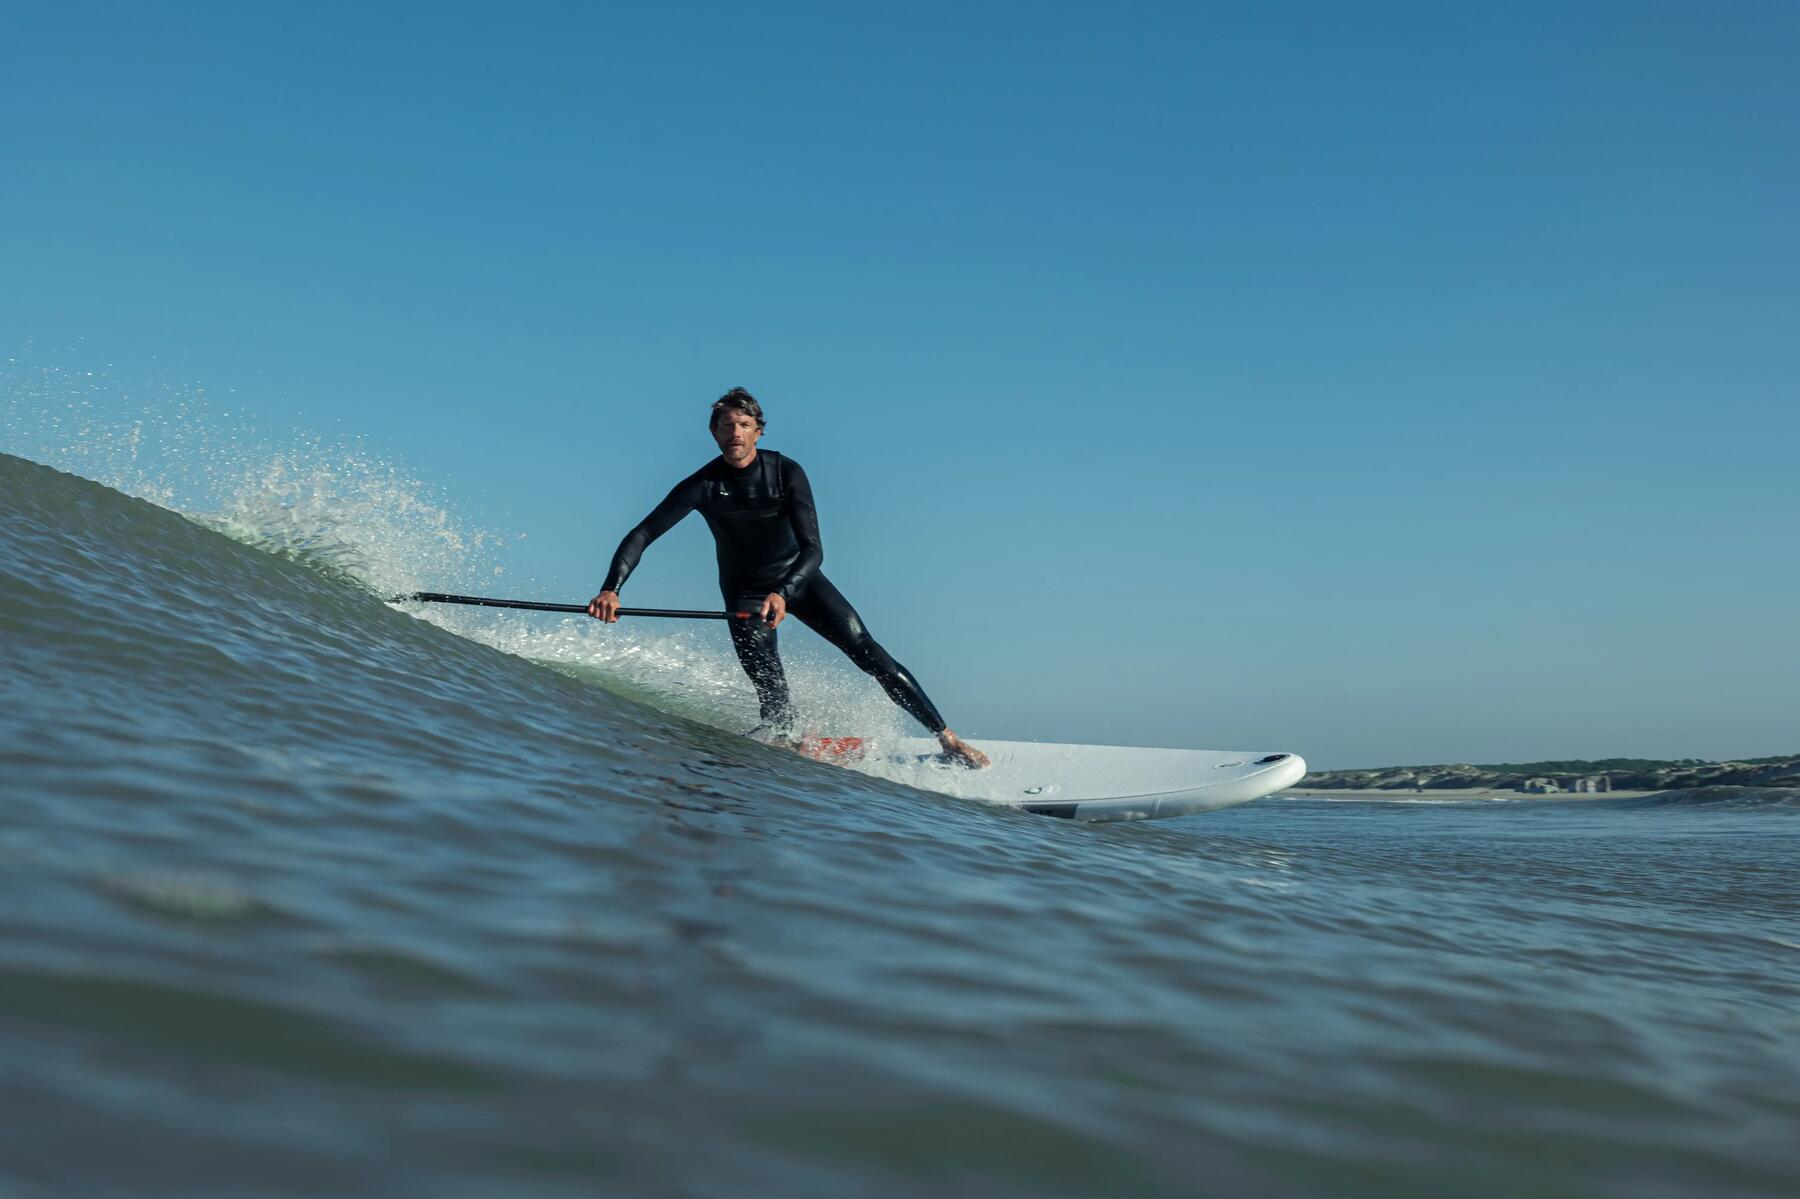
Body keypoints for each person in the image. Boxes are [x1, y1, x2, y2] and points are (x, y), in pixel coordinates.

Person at [588, 388, 990, 769]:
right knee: (774, 694)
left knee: (867, 650)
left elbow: (814, 548)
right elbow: (642, 533)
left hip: (800, 580)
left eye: (744, 424)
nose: (735, 433)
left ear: (758, 431)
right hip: (745, 597)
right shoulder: (703, 485)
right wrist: (612, 588)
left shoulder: (785, 472)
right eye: (726, 425)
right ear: (713, 433)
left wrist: (783, 592)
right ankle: (787, 741)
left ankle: (947, 738)